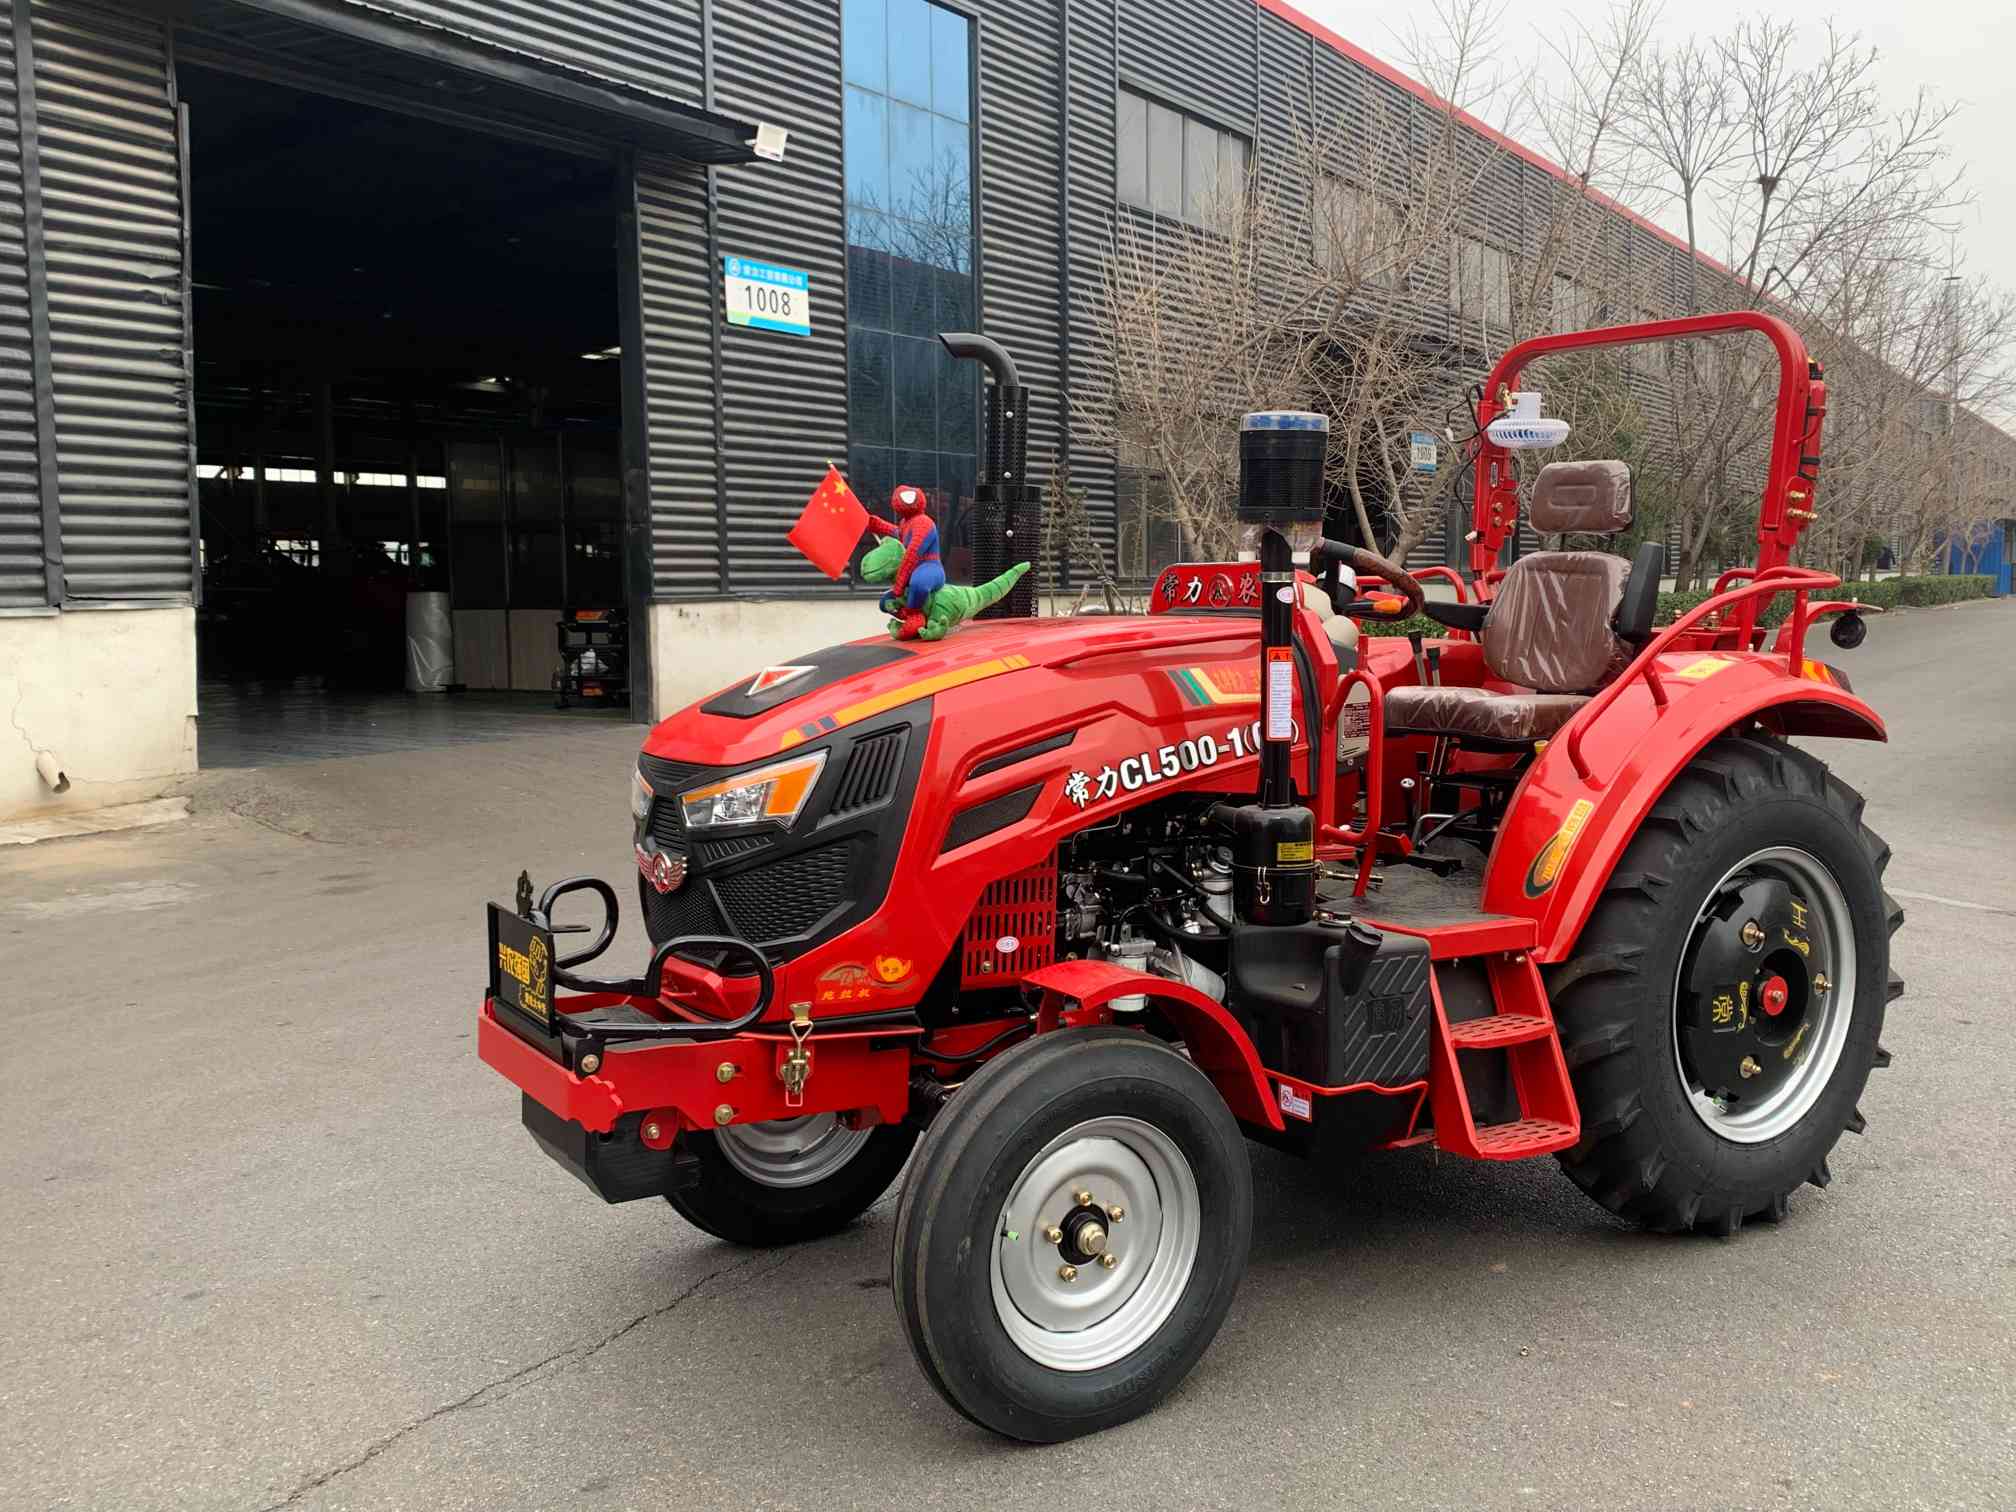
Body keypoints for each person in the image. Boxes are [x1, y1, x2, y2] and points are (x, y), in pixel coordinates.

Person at [864, 484, 945, 640]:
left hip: (930, 567)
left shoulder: (924, 523)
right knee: (885, 602)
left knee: (919, 583)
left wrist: (899, 586)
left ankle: (915, 615)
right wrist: (874, 523)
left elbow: (912, 554)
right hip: (912, 573)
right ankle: (906, 613)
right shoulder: (905, 523)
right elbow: (897, 532)